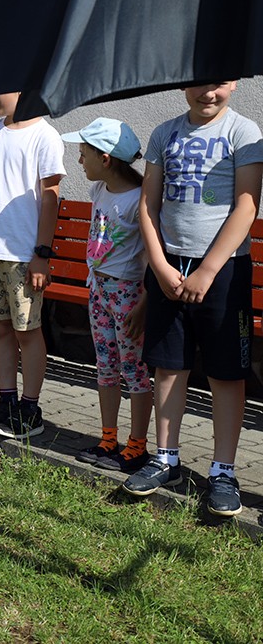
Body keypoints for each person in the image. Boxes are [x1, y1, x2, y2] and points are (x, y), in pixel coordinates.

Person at [123, 82, 263, 518]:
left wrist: (208, 270)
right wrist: (160, 265)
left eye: (220, 82)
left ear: (234, 84)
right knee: (168, 366)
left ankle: (223, 471)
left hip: (224, 271)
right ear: (184, 83)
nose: (209, 92)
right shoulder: (164, 133)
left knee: (226, 372)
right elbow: (148, 204)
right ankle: (166, 458)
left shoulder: (243, 132)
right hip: (169, 268)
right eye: (200, 82)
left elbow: (247, 206)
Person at [0, 91, 65, 438]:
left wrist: (42, 254)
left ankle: (30, 408)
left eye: (1, 88)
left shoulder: (44, 136)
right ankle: (6, 401)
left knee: (27, 331)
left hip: (23, 255)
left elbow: (50, 198)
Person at [59, 118, 153, 473]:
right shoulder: (100, 190)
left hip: (128, 294)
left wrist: (144, 304)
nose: (79, 160)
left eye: (84, 153)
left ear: (106, 158)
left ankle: (138, 445)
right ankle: (108, 438)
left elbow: (151, 254)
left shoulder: (139, 199)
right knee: (106, 365)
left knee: (134, 368)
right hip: (98, 290)